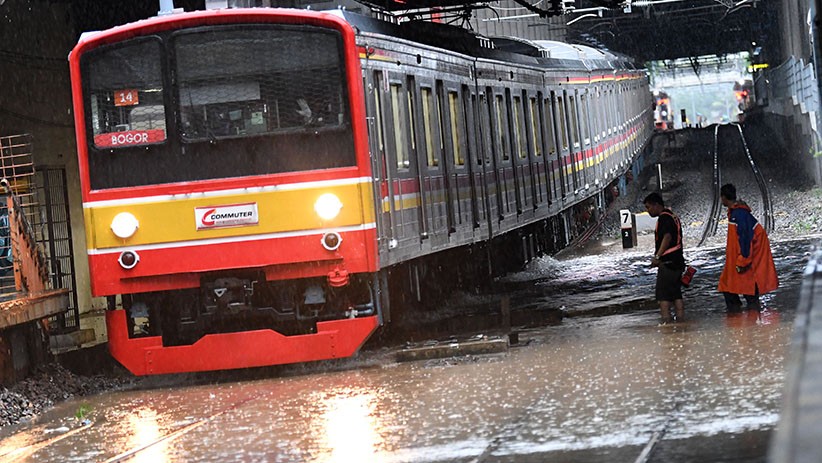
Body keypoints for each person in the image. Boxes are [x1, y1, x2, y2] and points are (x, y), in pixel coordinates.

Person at [717, 183, 778, 312]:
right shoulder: (739, 213)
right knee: (736, 289)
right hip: (742, 259)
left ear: (723, 197)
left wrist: (743, 260)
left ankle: (739, 318)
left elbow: (745, 239)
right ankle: (749, 319)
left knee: (740, 289)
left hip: (743, 260)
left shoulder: (738, 215)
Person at [644, 192, 686, 324]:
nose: (648, 211)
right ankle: (681, 322)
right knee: (676, 294)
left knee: (664, 297)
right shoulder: (672, 216)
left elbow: (667, 238)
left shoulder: (664, 219)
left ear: (656, 205)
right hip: (678, 262)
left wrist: (657, 257)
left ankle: (666, 325)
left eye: (648, 207)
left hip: (667, 263)